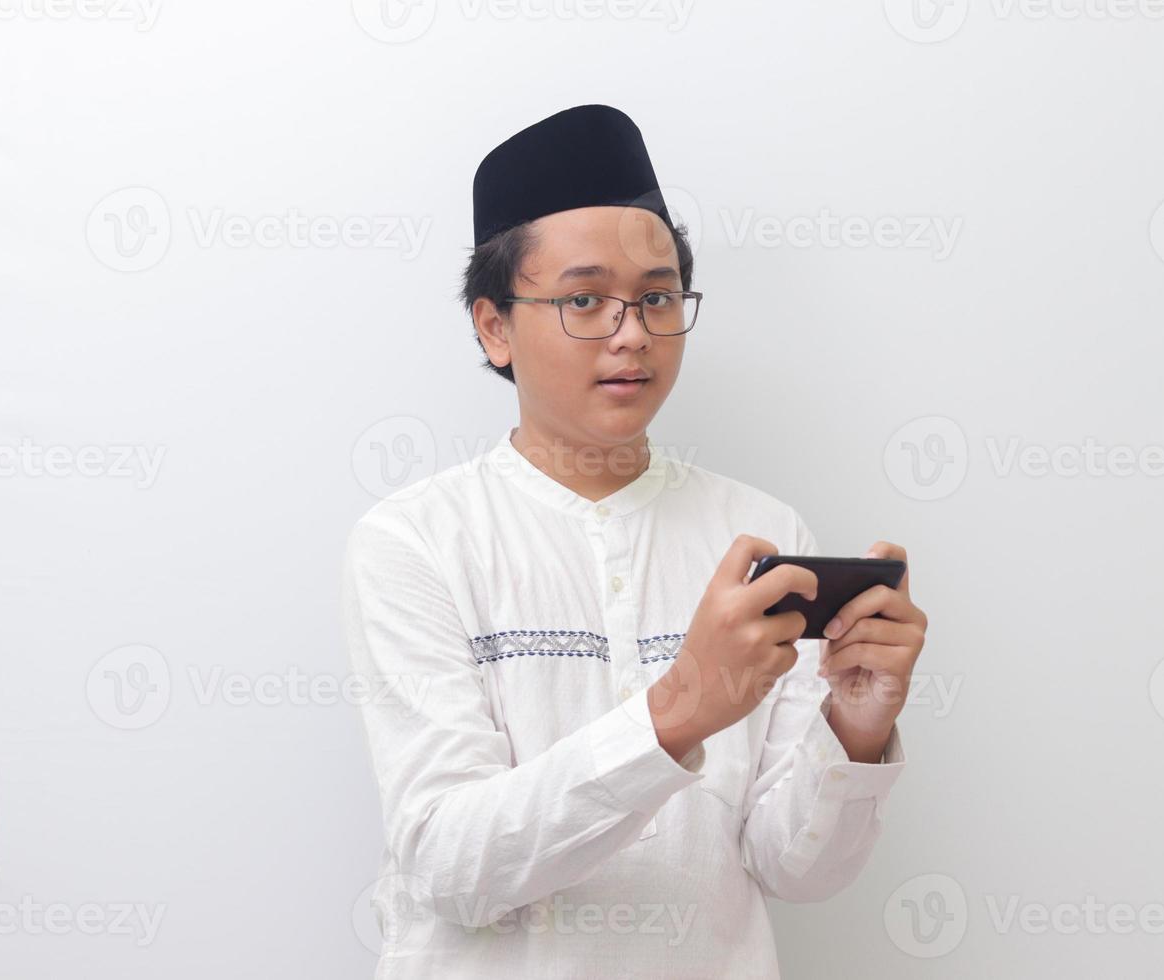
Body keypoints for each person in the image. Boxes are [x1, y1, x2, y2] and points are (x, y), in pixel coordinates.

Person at [341, 103, 928, 979]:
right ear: (493, 325)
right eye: (585, 300)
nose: (633, 333)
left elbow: (794, 869)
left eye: (657, 297)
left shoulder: (762, 536)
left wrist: (855, 725)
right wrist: (679, 711)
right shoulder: (417, 542)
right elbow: (448, 865)